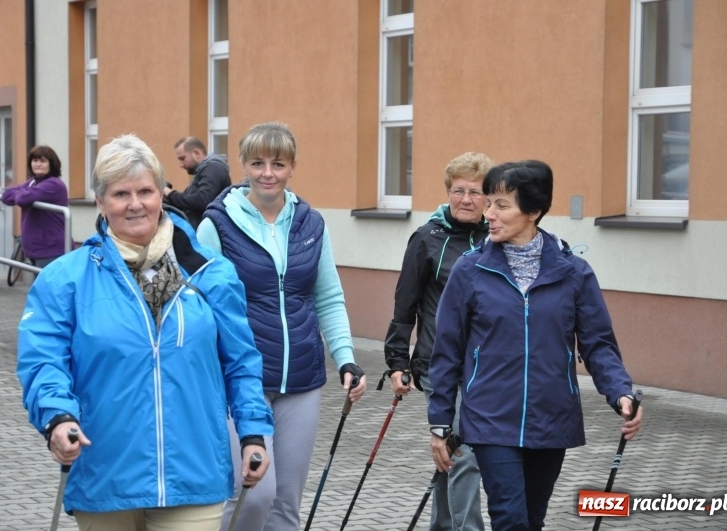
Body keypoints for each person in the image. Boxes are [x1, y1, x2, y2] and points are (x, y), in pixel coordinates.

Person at [16, 134, 273, 531]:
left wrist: (253, 431)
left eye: (145, 191)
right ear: (101, 202)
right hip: (105, 473)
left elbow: (241, 362)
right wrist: (57, 417)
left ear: (161, 195)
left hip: (194, 472)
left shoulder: (211, 274)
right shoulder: (64, 279)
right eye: (120, 193)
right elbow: (42, 361)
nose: (135, 204)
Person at [427, 160, 644, 531]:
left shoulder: (573, 272)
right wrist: (439, 422)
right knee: (509, 518)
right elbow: (447, 350)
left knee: (531, 519)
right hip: (490, 417)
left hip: (551, 417)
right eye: (489, 203)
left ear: (534, 211)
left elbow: (598, 344)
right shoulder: (470, 270)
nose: (488, 213)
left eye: (501, 205)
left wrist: (620, 392)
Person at [196, 121, 367, 531]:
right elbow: (199, 306)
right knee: (255, 496)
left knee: (287, 504)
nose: (267, 173)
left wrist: (345, 359)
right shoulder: (217, 224)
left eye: (278, 163)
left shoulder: (311, 224)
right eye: (257, 163)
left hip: (302, 380)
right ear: (243, 165)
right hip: (240, 380)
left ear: (292, 167)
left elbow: (328, 296)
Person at [384, 151, 494, 531]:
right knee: (465, 452)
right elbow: (405, 303)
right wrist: (397, 361)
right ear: (447, 192)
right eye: (458, 191)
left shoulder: (497, 238)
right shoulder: (427, 239)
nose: (466, 199)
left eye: (476, 192)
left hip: (487, 365)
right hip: (438, 363)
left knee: (451, 452)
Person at [1, 145, 69, 268]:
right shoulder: (34, 182)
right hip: (35, 249)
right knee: (39, 286)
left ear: (51, 164)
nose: (38, 164)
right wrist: (23, 192)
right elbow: (6, 196)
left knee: (47, 287)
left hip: (50, 250)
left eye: (43, 161)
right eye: (35, 160)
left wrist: (22, 192)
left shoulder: (54, 184)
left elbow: (22, 198)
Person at [164, 136, 232, 229]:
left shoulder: (213, 168)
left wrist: (170, 193)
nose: (181, 165)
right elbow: (186, 203)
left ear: (196, 153)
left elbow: (202, 200)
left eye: (183, 158)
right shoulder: (204, 170)